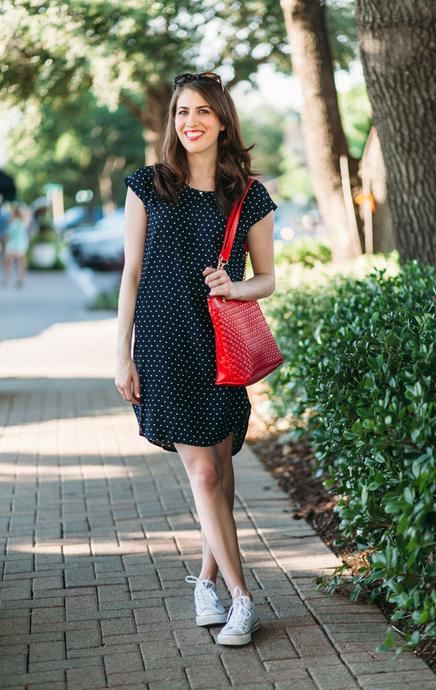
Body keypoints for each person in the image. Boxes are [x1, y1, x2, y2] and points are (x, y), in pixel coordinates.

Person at [115, 71, 278, 646]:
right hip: (162, 340)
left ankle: (206, 579)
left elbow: (267, 279)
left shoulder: (249, 195)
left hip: (220, 344)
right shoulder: (147, 185)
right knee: (204, 470)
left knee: (223, 468)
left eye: (205, 111)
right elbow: (131, 273)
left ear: (224, 120)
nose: (192, 122)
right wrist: (122, 354)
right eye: (183, 112)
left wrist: (235, 287)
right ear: (173, 122)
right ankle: (243, 599)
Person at [2, 203, 30, 288]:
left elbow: (9, 235)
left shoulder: (14, 222)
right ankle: (21, 279)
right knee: (21, 263)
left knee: (8, 262)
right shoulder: (23, 222)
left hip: (13, 245)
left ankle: (7, 278)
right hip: (22, 245)